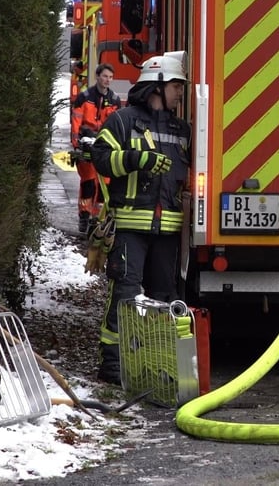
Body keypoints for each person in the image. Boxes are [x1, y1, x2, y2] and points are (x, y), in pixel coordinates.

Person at [91, 51, 191, 386]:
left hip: (168, 232)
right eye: (177, 86)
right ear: (158, 85)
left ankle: (156, 364)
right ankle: (113, 364)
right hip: (131, 228)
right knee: (126, 295)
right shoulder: (122, 121)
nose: (181, 93)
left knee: (164, 298)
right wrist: (136, 158)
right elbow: (100, 158)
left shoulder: (182, 129)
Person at [71, 63, 121, 235]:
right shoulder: (84, 97)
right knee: (88, 185)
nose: (108, 80)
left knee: (104, 186)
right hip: (86, 145)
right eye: (105, 76)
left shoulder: (114, 100)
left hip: (104, 146)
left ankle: (97, 219)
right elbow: (76, 122)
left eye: (111, 77)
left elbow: (116, 125)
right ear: (98, 76)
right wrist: (77, 145)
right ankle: (84, 217)